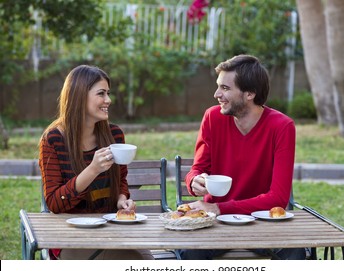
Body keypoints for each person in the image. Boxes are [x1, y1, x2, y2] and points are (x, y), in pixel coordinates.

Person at [179, 54, 306, 260]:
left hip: (261, 223)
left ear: (250, 94)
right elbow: (197, 168)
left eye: (226, 88)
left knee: (296, 252)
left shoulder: (282, 126)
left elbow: (279, 198)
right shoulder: (212, 118)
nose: (216, 94)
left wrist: (219, 207)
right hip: (215, 224)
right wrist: (194, 181)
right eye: (218, 86)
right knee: (189, 251)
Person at [38, 65, 153, 260]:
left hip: (111, 230)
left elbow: (121, 181)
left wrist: (121, 200)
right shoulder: (53, 140)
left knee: (146, 261)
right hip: (71, 235)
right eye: (101, 94)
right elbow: (55, 204)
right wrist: (93, 169)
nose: (108, 100)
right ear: (80, 96)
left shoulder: (114, 135)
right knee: (136, 261)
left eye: (108, 93)